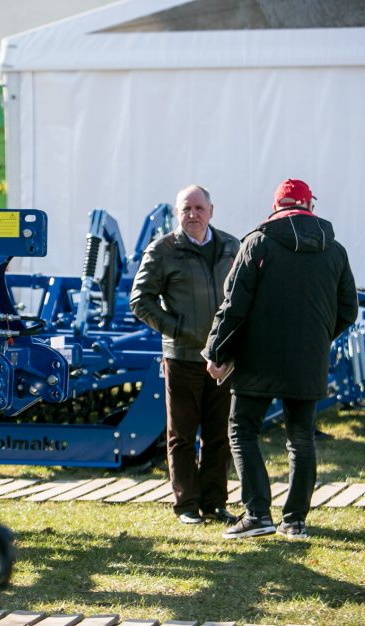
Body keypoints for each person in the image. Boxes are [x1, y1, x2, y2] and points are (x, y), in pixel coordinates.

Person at [202, 179, 358, 540]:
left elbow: (234, 305)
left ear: (276, 207)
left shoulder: (258, 243)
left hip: (257, 358)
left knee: (242, 430)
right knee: (301, 438)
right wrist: (317, 339)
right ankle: (295, 521)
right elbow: (348, 309)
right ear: (309, 207)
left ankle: (258, 515)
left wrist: (216, 351)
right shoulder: (335, 251)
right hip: (308, 361)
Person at [130, 184, 240, 526]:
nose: (192, 215)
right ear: (178, 214)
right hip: (182, 358)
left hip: (221, 359)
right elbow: (140, 300)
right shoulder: (163, 250)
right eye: (185, 209)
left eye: (198, 208)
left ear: (211, 209)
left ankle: (215, 504)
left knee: (219, 435)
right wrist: (175, 329)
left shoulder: (231, 247)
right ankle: (187, 505)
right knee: (182, 435)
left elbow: (243, 294)